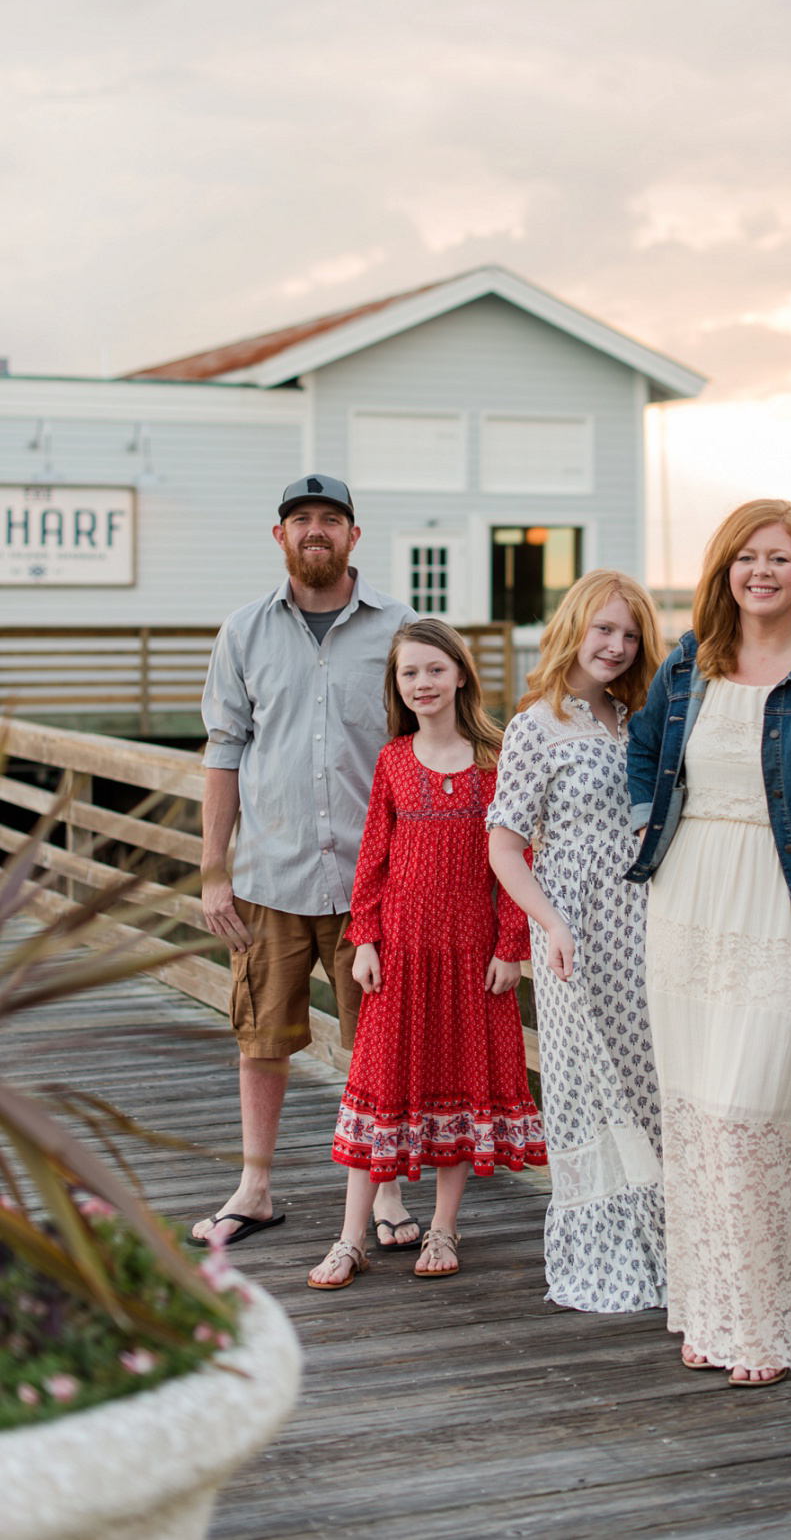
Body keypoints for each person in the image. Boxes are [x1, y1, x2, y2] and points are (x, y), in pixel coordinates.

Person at [626, 498, 791, 1386]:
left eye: (779, 559)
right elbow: (641, 751)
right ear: (724, 573)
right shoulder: (689, 666)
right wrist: (647, 826)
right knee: (701, 1118)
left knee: (751, 1118)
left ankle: (763, 1325)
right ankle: (710, 1314)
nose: (761, 573)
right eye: (746, 558)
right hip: (689, 911)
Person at [191, 475, 416, 1250]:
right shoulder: (243, 633)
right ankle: (254, 1188)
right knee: (261, 1037)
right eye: (300, 520)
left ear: (355, 535)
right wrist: (213, 866)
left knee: (376, 1043)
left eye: (330, 519)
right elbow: (224, 752)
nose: (314, 530)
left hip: (373, 884)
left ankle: (383, 1191)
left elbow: (432, 741)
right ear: (279, 535)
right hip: (271, 878)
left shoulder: (402, 627)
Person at [307, 618, 546, 1288]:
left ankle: (443, 1228)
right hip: (403, 952)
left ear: (460, 674)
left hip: (471, 951)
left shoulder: (496, 763)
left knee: (460, 1081)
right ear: (398, 684)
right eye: (409, 674)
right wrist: (365, 939)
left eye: (434, 670)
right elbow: (372, 860)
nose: (422, 684)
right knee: (378, 1082)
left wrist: (510, 947)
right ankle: (350, 1237)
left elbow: (515, 861)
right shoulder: (394, 760)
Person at [488, 570, 668, 1313]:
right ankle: (601, 1257)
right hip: (573, 931)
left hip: (642, 928)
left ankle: (664, 1250)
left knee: (649, 1079)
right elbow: (502, 847)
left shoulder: (639, 723)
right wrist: (550, 925)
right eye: (605, 630)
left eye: (630, 636)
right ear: (574, 628)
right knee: (582, 1087)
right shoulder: (536, 725)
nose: (618, 647)